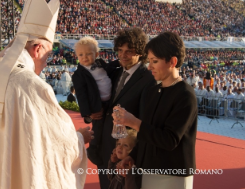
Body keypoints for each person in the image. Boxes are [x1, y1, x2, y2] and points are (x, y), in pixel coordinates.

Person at [0, 0, 93, 189]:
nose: (45, 63)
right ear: (37, 49)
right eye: (48, 56)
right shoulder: (29, 84)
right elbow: (56, 142)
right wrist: (79, 139)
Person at [113, 32, 197, 189]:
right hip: (148, 170)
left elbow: (169, 140)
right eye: (149, 61)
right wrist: (133, 156)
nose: (149, 66)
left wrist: (134, 122)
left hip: (173, 174)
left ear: (172, 61)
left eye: (155, 61)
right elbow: (147, 135)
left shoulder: (185, 95)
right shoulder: (152, 91)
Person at [97, 28, 156, 189]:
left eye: (129, 51)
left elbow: (145, 120)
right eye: (120, 50)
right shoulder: (115, 73)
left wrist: (132, 154)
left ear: (141, 53)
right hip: (107, 149)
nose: (123, 55)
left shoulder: (149, 79)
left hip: (127, 154)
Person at [72, 36, 118, 166]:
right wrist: (87, 114)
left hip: (110, 102)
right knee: (97, 129)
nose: (85, 57)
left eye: (89, 54)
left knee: (109, 129)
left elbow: (111, 68)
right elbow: (81, 95)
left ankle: (108, 148)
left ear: (96, 54)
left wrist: (118, 64)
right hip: (97, 105)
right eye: (81, 54)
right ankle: (93, 148)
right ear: (77, 56)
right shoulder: (79, 74)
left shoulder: (101, 65)